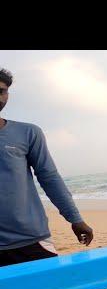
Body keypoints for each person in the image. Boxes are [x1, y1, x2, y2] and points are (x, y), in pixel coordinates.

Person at [0, 68, 94, 267]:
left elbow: (49, 177)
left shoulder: (28, 133)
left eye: (1, 91)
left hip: (30, 240)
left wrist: (74, 219)